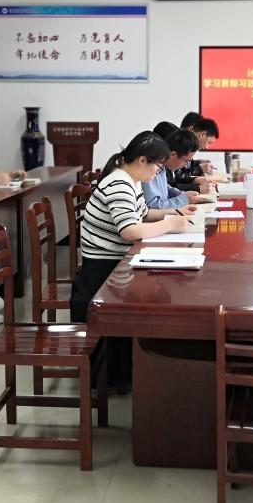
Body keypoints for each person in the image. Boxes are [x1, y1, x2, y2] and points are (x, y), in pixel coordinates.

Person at [70, 131, 194, 386]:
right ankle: (136, 370)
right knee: (160, 293)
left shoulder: (131, 180)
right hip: (103, 272)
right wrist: (171, 224)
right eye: (157, 166)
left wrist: (176, 211)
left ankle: (143, 366)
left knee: (162, 287)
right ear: (141, 160)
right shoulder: (119, 184)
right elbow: (130, 230)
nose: (157, 173)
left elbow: (143, 213)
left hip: (117, 263)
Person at [142, 127, 202, 209]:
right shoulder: (152, 167)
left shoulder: (162, 166)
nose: (185, 165)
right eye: (186, 161)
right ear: (173, 154)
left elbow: (164, 187)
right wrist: (185, 200)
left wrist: (180, 194)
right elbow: (153, 206)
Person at [174, 116, 219, 191]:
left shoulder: (189, 148)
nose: (207, 147)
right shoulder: (180, 146)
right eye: (209, 142)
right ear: (202, 134)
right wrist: (199, 170)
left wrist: (196, 179)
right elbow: (177, 178)